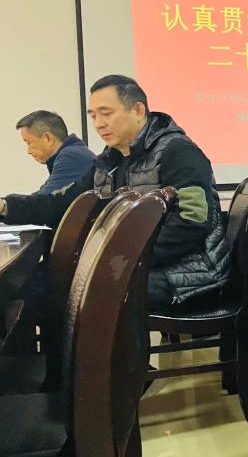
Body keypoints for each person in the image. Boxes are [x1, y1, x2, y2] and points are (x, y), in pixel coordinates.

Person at [0, 75, 229, 310]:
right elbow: (60, 203)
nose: (99, 124)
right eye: (93, 116)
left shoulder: (178, 152)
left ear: (138, 110)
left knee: (87, 294)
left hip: (189, 272)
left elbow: (192, 221)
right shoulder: (109, 161)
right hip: (131, 262)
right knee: (35, 284)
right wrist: (6, 206)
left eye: (106, 113)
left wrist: (120, 258)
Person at [15, 110, 95, 195]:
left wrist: (9, 202)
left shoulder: (70, 156)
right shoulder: (73, 152)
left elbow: (47, 198)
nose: (28, 151)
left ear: (48, 138)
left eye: (29, 142)